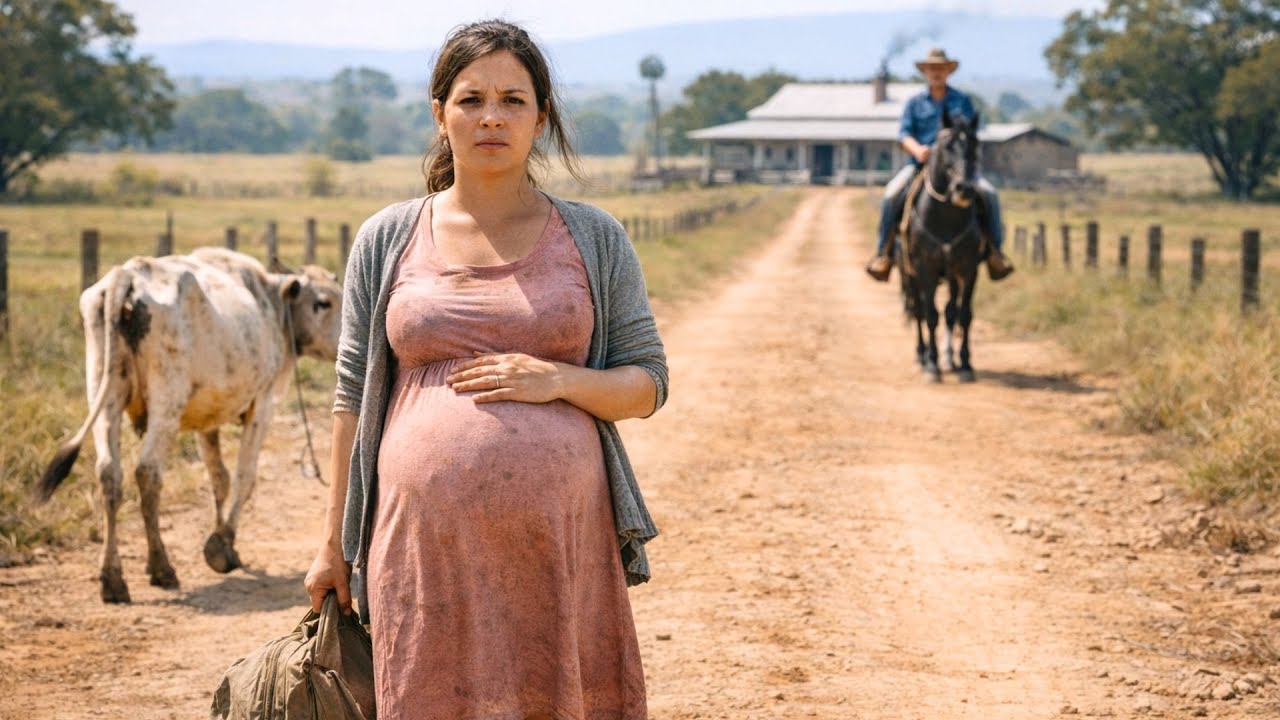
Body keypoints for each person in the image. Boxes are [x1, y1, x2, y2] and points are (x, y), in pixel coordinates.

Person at [304, 19, 668, 720]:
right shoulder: (388, 236)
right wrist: (333, 547)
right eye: (471, 100)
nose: (492, 117)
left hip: (561, 544)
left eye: (513, 100)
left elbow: (649, 383)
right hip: (421, 546)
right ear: (439, 114)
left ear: (542, 118)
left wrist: (559, 381)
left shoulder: (594, 237)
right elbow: (351, 393)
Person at [865, 47, 1014, 282]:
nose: (936, 73)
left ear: (948, 72)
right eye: (932, 69)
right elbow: (904, 134)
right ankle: (883, 254)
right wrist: (918, 150)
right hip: (919, 166)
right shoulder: (914, 103)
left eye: (941, 69)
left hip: (957, 169)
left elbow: (969, 134)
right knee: (890, 196)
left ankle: (996, 253)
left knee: (989, 194)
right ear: (925, 72)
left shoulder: (962, 101)